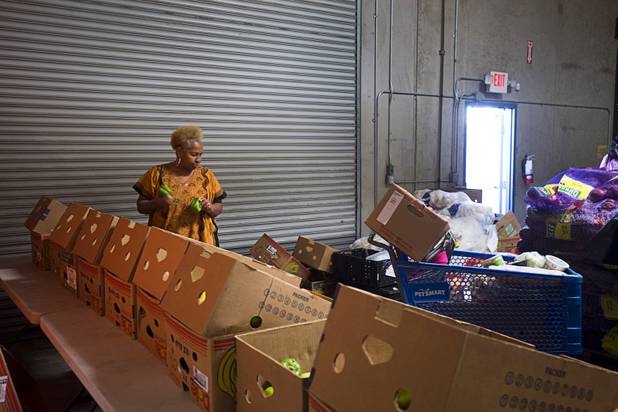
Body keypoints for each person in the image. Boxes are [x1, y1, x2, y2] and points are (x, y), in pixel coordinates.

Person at [133, 125, 226, 246]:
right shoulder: (157, 174)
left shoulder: (207, 175)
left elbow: (219, 205)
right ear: (179, 151)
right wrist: (159, 202)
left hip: (200, 244)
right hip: (163, 243)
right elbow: (140, 206)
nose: (198, 159)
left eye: (200, 154)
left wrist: (211, 208)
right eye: (194, 154)